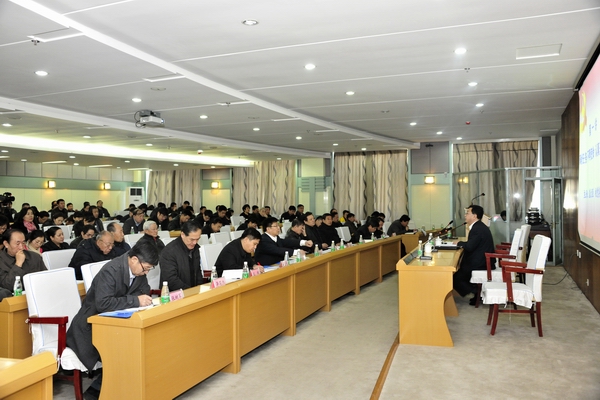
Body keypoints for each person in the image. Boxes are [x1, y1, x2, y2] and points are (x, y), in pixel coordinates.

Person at [66, 241, 159, 400]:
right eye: (146, 268)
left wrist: (137, 300)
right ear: (134, 259)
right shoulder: (111, 270)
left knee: (142, 343)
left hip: (118, 322)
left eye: (149, 269)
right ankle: (96, 391)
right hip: (91, 326)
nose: (146, 273)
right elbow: (103, 304)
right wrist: (135, 301)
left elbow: (143, 291)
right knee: (125, 349)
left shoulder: (138, 270)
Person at [453, 205, 495, 304]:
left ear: (474, 216)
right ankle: (476, 293)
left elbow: (470, 246)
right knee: (458, 271)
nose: (465, 215)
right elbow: (472, 244)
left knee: (455, 278)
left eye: (467, 213)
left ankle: (477, 292)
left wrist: (459, 243)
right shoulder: (478, 226)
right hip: (482, 259)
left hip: (482, 262)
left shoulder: (477, 228)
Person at [159, 220, 203, 290]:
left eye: (197, 239)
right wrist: (190, 291)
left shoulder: (195, 248)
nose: (195, 243)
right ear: (183, 235)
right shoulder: (169, 252)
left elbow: (198, 272)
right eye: (192, 239)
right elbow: (171, 280)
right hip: (174, 293)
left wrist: (199, 289)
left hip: (192, 291)